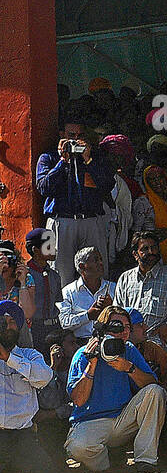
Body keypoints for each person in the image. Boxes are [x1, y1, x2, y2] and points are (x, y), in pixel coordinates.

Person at [64, 304, 167, 473]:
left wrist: (129, 368)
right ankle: (107, 465)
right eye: (118, 327)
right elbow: (79, 400)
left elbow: (151, 384)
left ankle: (145, 460)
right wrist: (92, 364)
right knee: (78, 448)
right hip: (91, 420)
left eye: (128, 327)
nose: (124, 332)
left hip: (123, 419)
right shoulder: (83, 353)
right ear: (103, 328)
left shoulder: (129, 350)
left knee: (156, 392)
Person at [34, 121, 114, 288]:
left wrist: (88, 160)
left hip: (91, 220)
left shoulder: (96, 157)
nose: (76, 141)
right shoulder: (48, 158)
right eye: (71, 136)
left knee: (97, 271)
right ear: (62, 135)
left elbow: (107, 185)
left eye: (80, 136)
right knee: (60, 273)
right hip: (61, 221)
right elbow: (43, 187)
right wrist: (62, 161)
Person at [0, 300, 62, 473]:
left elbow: (44, 377)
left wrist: (8, 358)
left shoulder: (30, 355)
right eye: (3, 322)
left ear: (20, 327)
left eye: (12, 322)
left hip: (22, 436)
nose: (7, 327)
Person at [58, 247, 115, 341]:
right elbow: (64, 323)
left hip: (109, 342)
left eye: (101, 259)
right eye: (96, 260)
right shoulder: (68, 292)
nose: (101, 263)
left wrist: (111, 308)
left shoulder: (113, 288)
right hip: (79, 344)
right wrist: (87, 316)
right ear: (82, 266)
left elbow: (125, 318)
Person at [22, 228, 63, 353]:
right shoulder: (25, 275)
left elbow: (57, 300)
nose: (53, 249)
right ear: (35, 250)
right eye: (48, 246)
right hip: (35, 327)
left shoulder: (54, 276)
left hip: (54, 326)